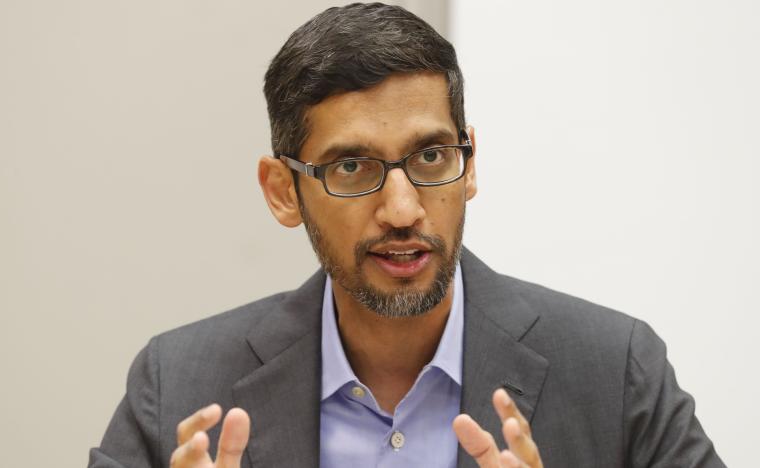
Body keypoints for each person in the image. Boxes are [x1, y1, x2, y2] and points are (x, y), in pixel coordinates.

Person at [89, 3, 724, 467]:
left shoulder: (616, 372)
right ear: (284, 190)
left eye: (429, 157)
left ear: (469, 164)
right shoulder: (177, 385)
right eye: (351, 167)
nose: (401, 209)